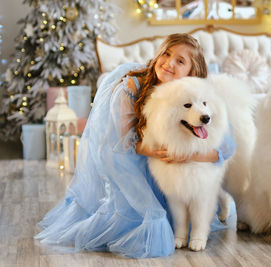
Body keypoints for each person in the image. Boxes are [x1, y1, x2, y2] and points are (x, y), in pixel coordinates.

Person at [35, 33, 237, 258]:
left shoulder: (196, 95)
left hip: (176, 165)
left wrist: (186, 156)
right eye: (166, 54)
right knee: (153, 222)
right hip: (134, 163)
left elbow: (226, 147)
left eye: (180, 61)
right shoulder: (131, 86)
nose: (169, 63)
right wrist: (155, 151)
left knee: (192, 199)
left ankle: (212, 200)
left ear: (191, 72)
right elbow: (122, 141)